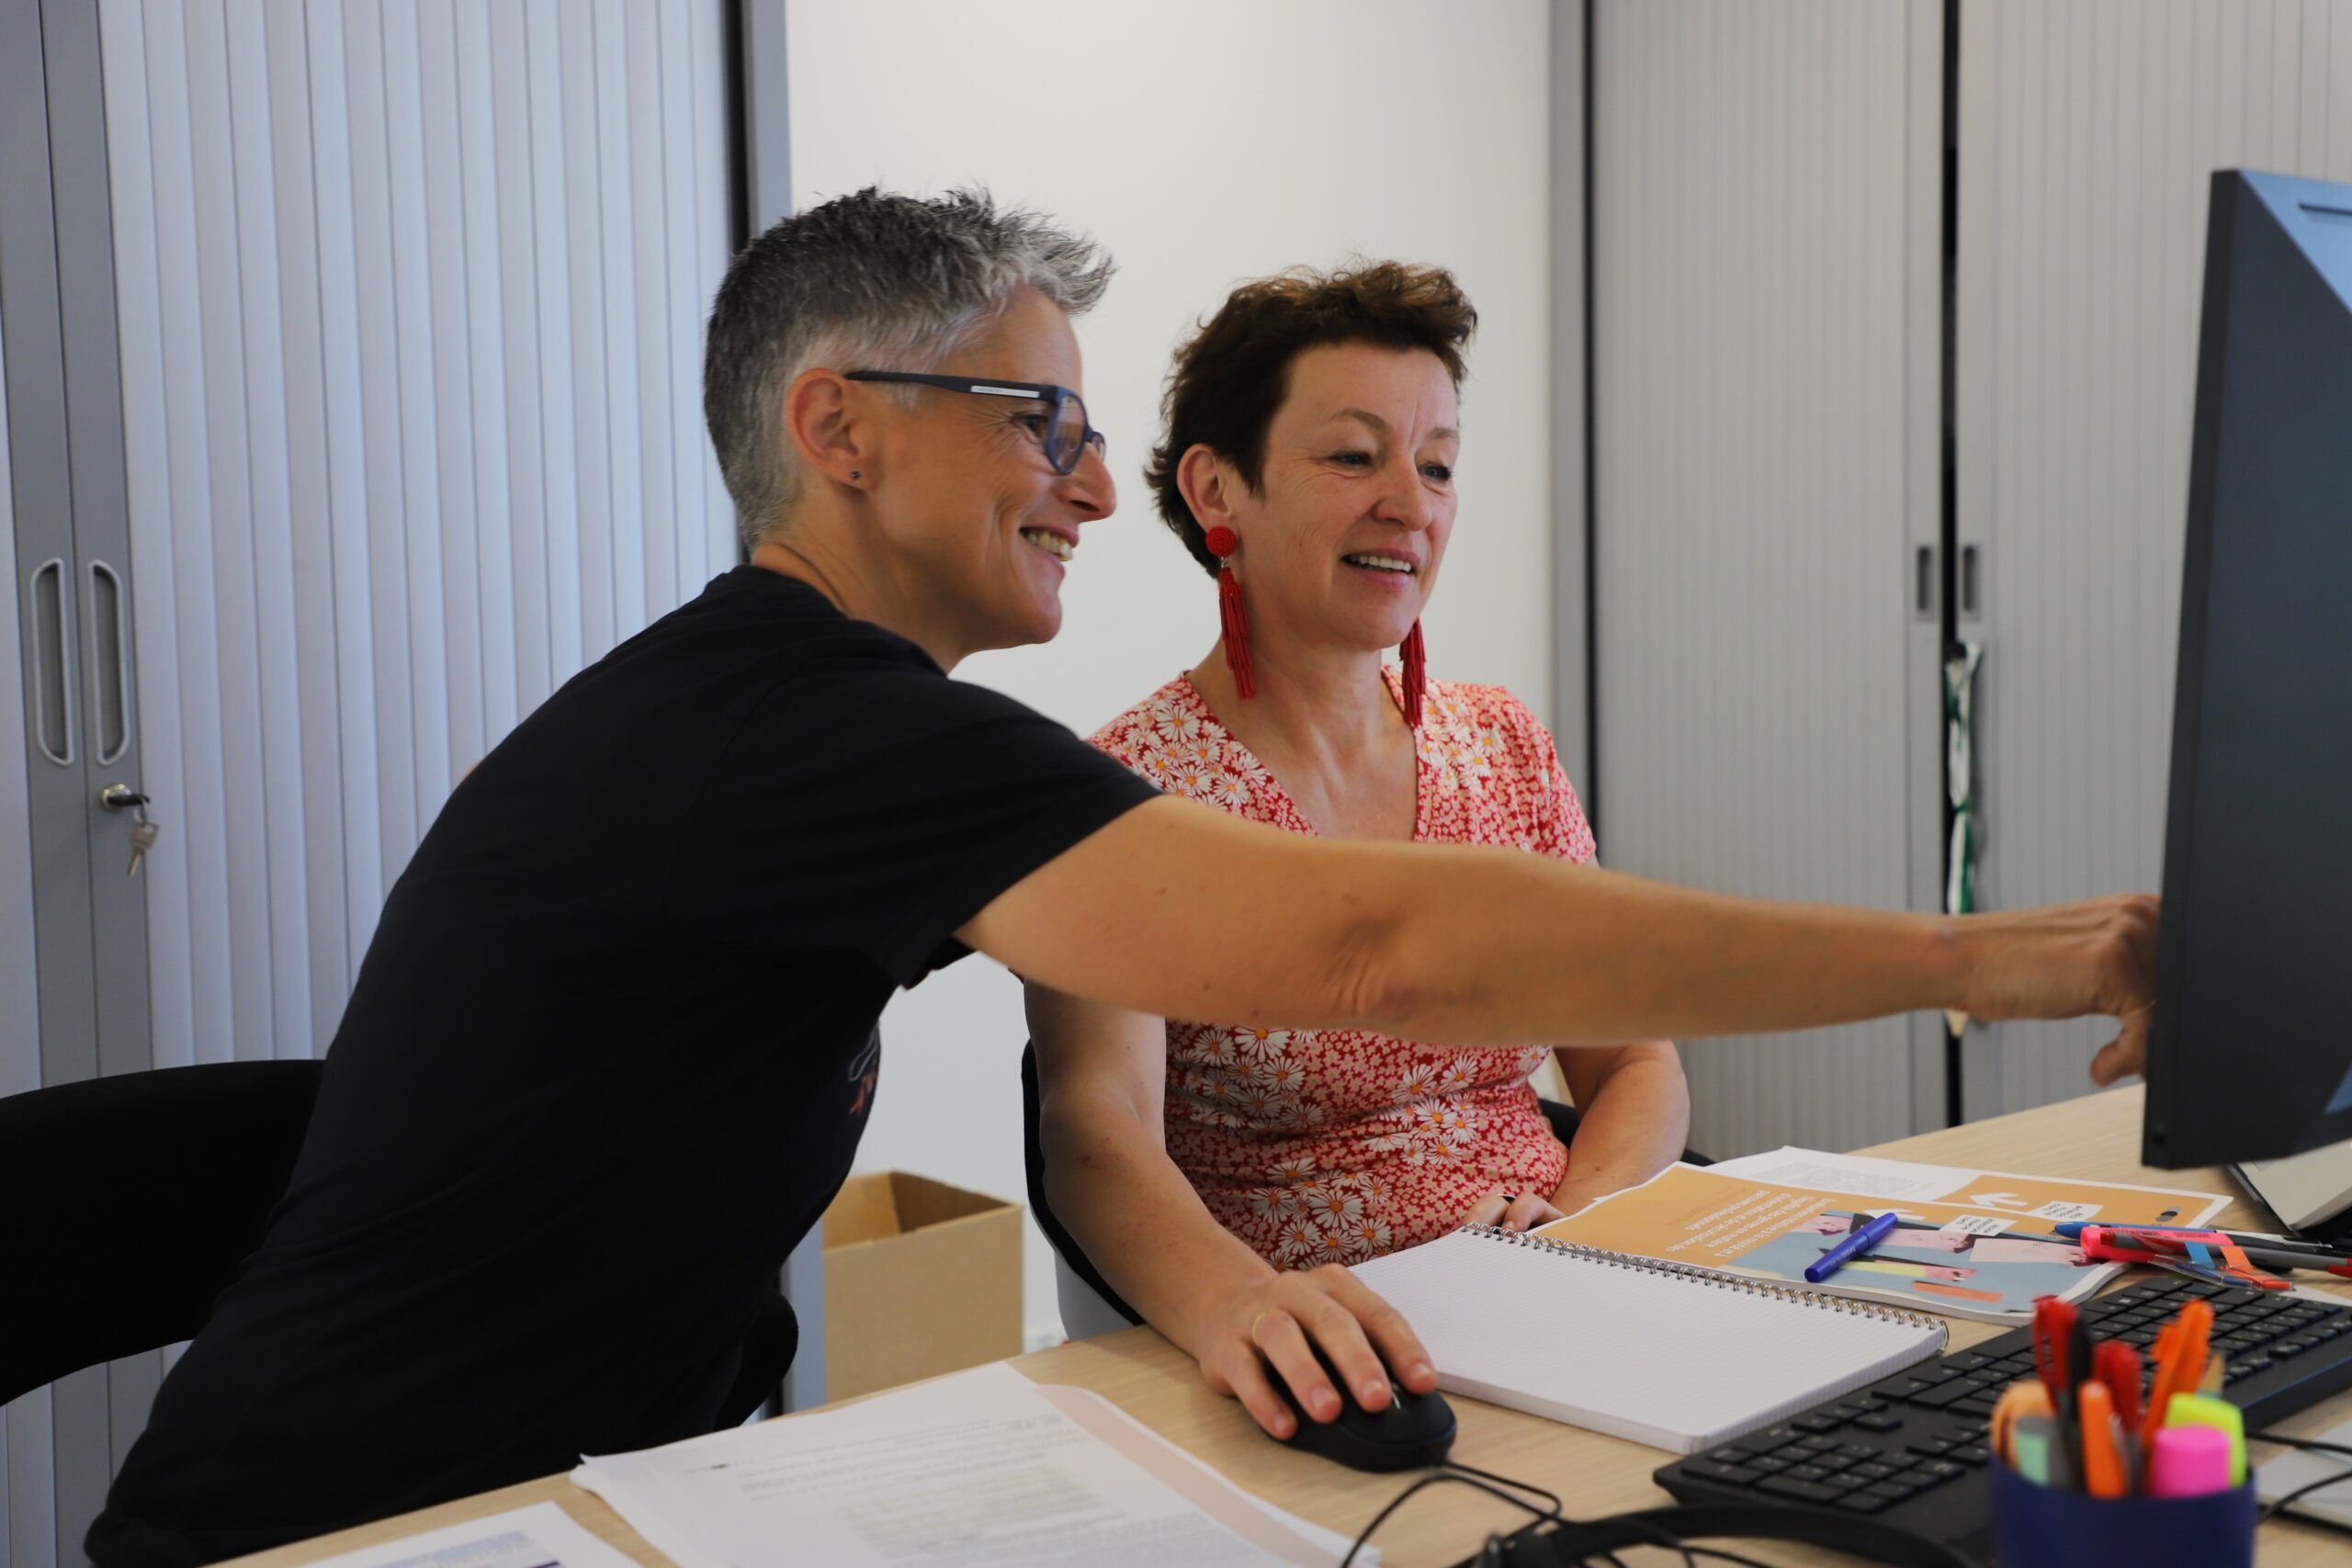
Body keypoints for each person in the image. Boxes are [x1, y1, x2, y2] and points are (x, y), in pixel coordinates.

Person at [89, 188, 2155, 1566]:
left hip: (609, 1474)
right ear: (841, 429)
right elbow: (1368, 940)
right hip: (359, 1530)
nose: (1091, 482)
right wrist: (2009, 952)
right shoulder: (805, 725)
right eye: (1039, 422)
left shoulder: (792, 716)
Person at [1028, 263, 1690, 1377]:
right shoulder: (1122, 800)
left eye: (1437, 465)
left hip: (1565, 1294)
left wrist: (1581, 1238)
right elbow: (1097, 1137)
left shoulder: (1504, 745)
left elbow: (1636, 1061)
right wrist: (1257, 1317)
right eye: (1352, 455)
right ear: (1217, 490)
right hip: (1325, 1352)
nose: (1410, 502)